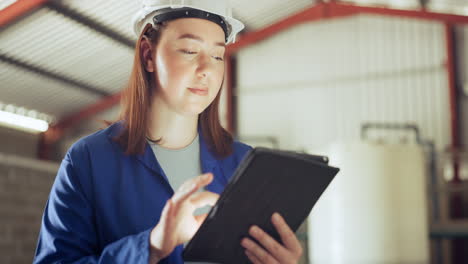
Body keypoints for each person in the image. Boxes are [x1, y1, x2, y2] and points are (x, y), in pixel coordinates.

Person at [33, 0, 303, 263]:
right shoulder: (89, 161)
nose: (206, 69)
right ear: (149, 55)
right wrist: (151, 247)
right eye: (189, 50)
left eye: (217, 55)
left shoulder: (245, 164)